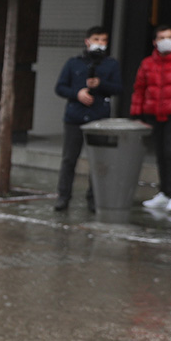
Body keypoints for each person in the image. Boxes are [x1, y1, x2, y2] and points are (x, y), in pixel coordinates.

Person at [52, 26, 121, 212]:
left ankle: (94, 199)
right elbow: (60, 87)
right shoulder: (74, 63)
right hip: (75, 117)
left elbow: (118, 88)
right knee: (69, 159)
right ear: (87, 41)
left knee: (98, 161)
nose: (100, 43)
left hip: (99, 119)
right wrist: (78, 93)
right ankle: (63, 196)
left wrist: (101, 84)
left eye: (104, 40)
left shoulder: (111, 65)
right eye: (96, 39)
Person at [131, 25, 171, 214]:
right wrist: (136, 113)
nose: (166, 40)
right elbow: (139, 89)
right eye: (161, 37)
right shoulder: (148, 64)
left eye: (169, 37)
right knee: (160, 153)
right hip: (154, 113)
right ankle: (164, 192)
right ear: (155, 42)